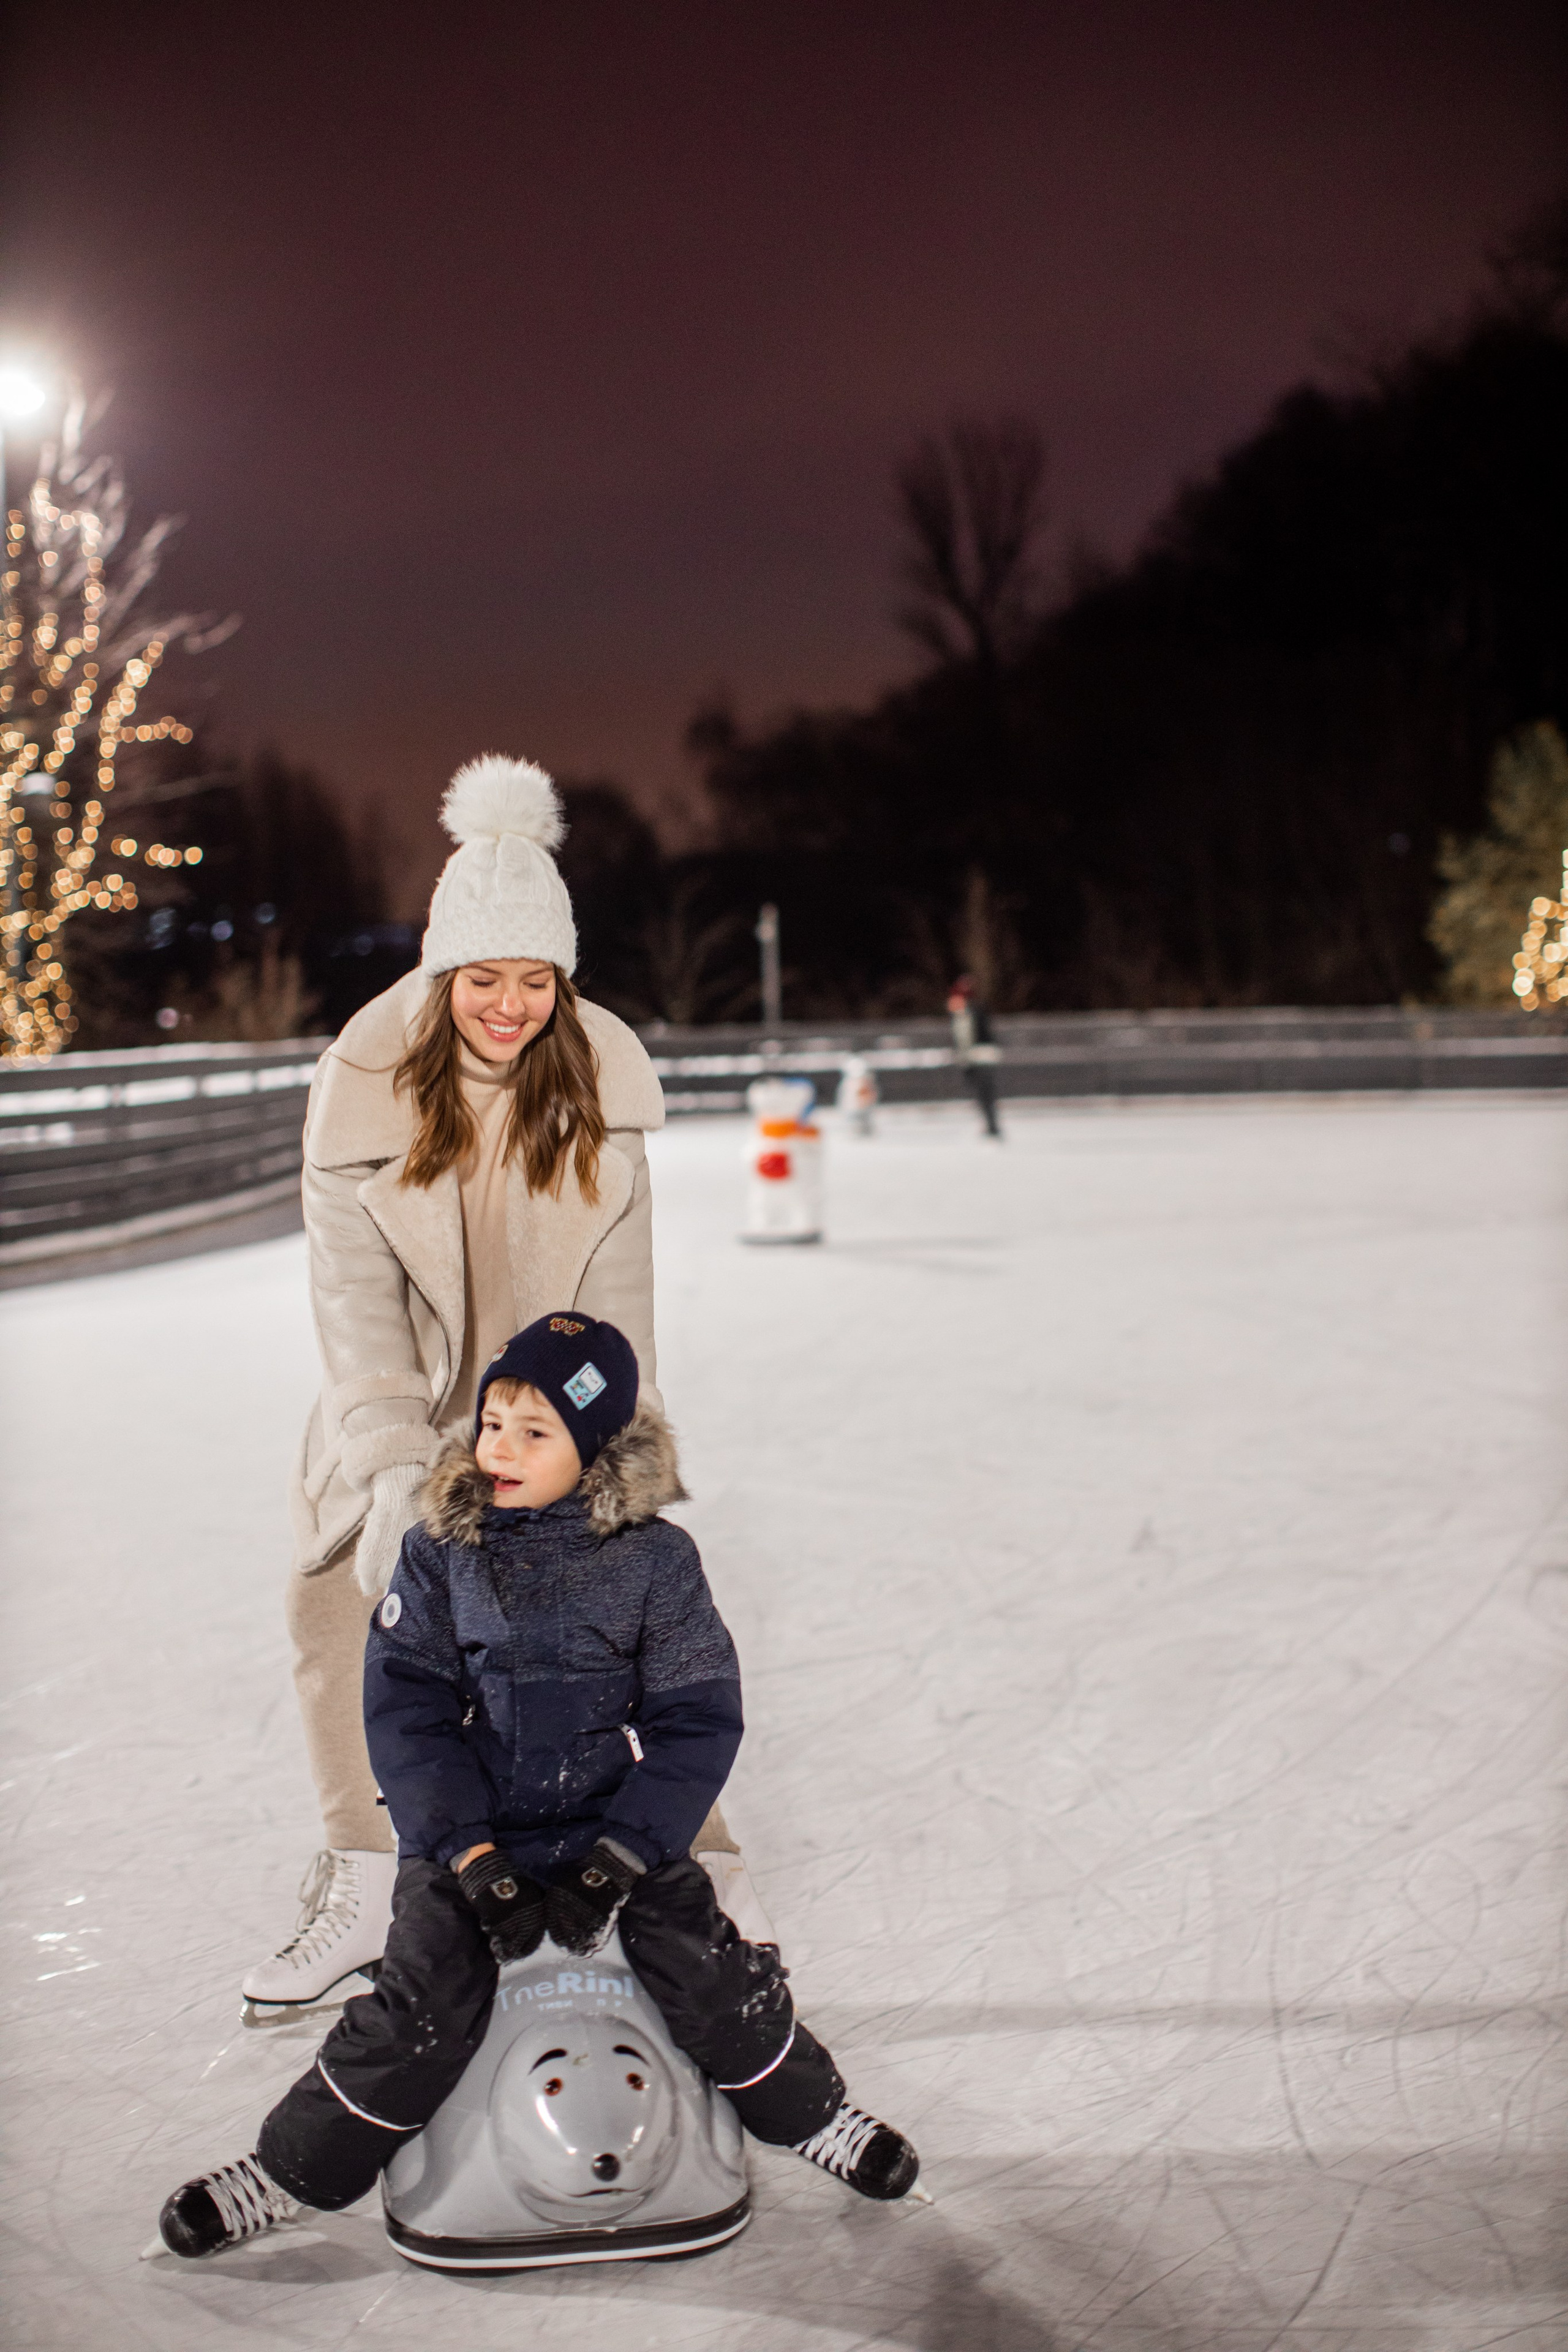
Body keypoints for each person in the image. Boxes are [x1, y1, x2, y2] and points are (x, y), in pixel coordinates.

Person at [160, 1314, 919, 2256]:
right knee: (424, 2000)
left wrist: (626, 1854)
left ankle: (813, 2118)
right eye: (491, 1423)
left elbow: (697, 1718)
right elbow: (408, 1715)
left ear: (595, 1448)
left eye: (535, 1431)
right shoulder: (443, 1549)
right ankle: (286, 2174)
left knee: (712, 1975)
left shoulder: (655, 1562)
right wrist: (471, 1858)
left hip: (611, 1828)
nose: (500, 1449)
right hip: (473, 1835)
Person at [244, 754, 739, 2013]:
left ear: (561, 985)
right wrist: (399, 1463)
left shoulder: (601, 1103)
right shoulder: (358, 1092)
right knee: (328, 1610)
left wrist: (600, 1457)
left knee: (618, 1610)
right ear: (440, 974)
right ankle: (365, 1879)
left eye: (534, 980)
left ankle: (696, 1873)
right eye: (483, 978)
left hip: (555, 1415)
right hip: (408, 1409)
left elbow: (615, 1314)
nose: (507, 1006)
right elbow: (354, 1304)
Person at [946, 973, 1003, 1138]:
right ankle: (991, 1125)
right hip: (983, 1055)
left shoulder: (969, 1009)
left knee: (985, 1093)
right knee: (986, 1093)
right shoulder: (975, 1007)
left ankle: (992, 1126)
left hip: (979, 1056)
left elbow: (965, 1037)